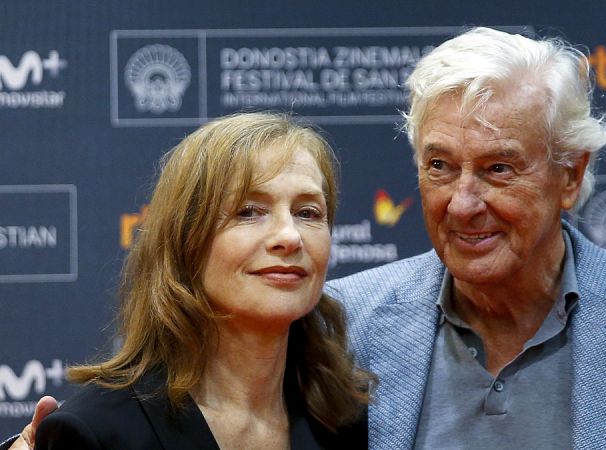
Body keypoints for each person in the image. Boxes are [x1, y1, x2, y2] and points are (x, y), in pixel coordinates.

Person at [6, 26, 606, 449]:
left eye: (497, 168)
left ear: (570, 174)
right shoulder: (337, 324)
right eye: (439, 165)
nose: (464, 203)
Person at [7, 112, 371, 449]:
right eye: (249, 212)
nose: (290, 237)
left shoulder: (348, 420)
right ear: (185, 241)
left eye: (308, 212)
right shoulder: (96, 432)